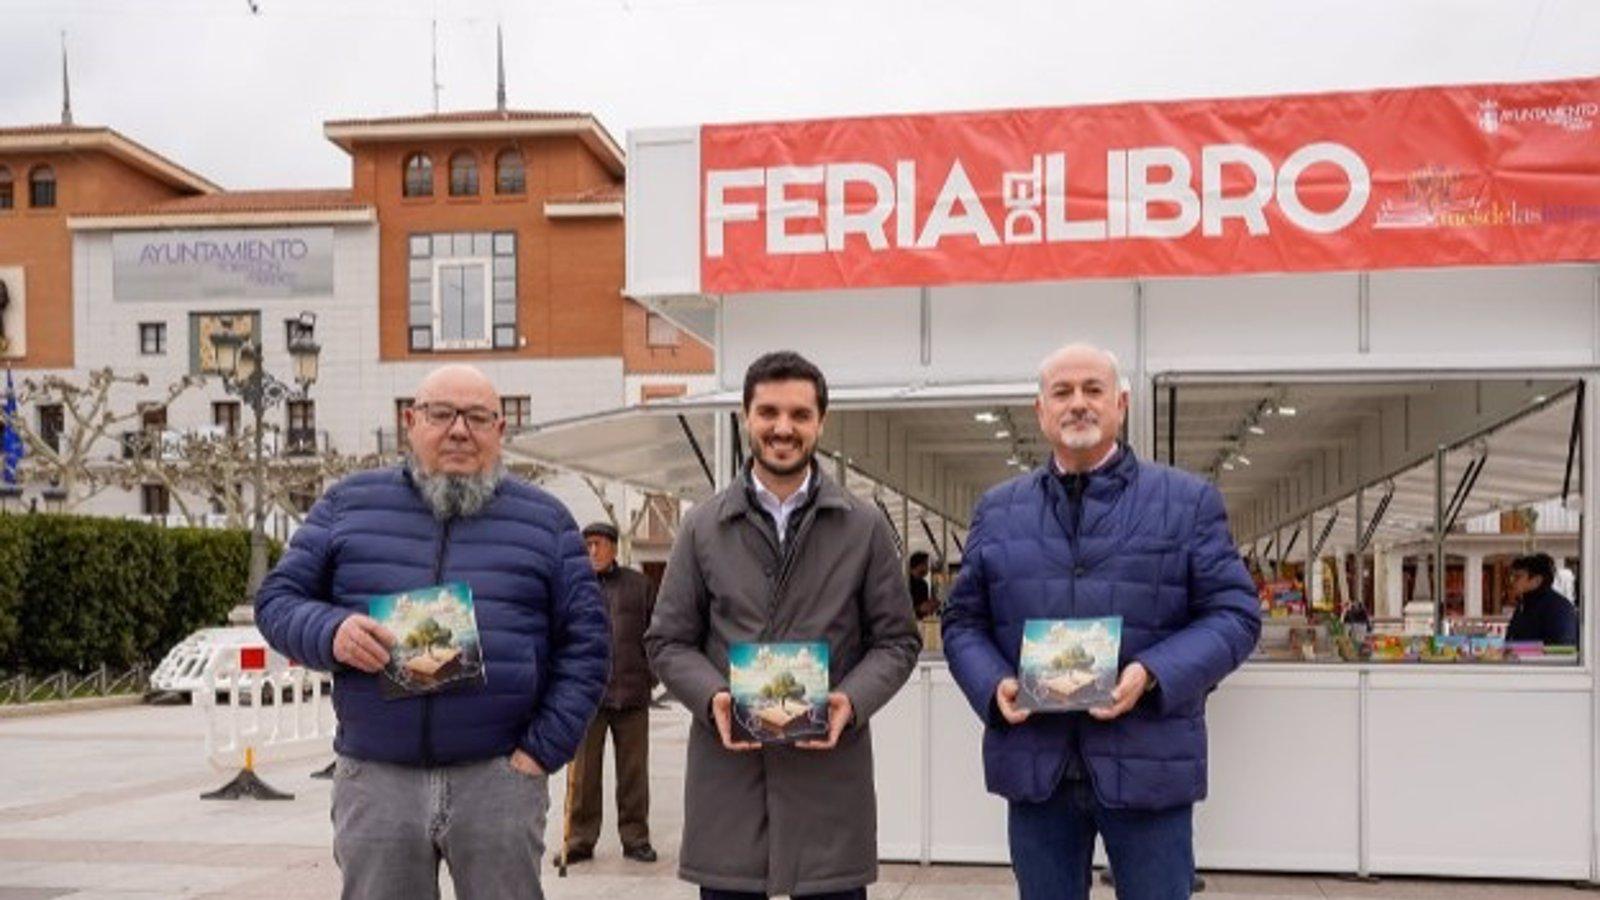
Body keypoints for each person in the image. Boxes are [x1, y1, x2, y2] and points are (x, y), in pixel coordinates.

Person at [255, 364, 610, 900]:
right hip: (377, 778)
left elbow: (587, 646)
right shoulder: (348, 504)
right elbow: (277, 601)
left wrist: (541, 751)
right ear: (410, 421)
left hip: (499, 777)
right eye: (441, 414)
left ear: (500, 430)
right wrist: (330, 631)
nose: (459, 430)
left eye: (477, 417)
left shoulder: (547, 522)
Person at [942, 343, 1261, 900]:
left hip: (1149, 761)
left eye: (1093, 390)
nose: (1078, 404)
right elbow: (963, 622)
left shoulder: (1186, 502)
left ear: (1122, 403)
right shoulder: (998, 510)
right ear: (1040, 411)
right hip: (1037, 767)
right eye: (1062, 392)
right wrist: (994, 687)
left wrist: (1152, 673)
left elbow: (1235, 614)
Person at [645, 350, 921, 900]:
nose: (783, 428)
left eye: (799, 414)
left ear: (821, 422)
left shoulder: (862, 526)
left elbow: (897, 640)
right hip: (729, 783)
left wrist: (851, 700)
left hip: (828, 784)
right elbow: (667, 641)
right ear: (746, 417)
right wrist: (714, 697)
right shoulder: (702, 527)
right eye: (768, 412)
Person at [564, 520, 659, 864]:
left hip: (632, 693)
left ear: (614, 548)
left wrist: (652, 676)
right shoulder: (572, 586)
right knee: (584, 775)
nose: (592, 551)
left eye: (598, 544)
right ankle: (578, 840)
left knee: (634, 774)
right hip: (587, 697)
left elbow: (660, 635)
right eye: (587, 544)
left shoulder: (639, 585)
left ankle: (636, 839)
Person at [1504, 552, 1578, 645]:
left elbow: (1562, 648)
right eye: (1511, 576)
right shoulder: (1524, 605)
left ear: (1537, 580)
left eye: (1517, 577)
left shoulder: (1558, 608)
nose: (1511, 581)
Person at [908, 550, 938, 619]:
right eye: (926, 564)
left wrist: (930, 605)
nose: (928, 568)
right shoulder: (905, 582)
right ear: (919, 565)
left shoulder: (923, 584)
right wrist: (919, 609)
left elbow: (924, 606)